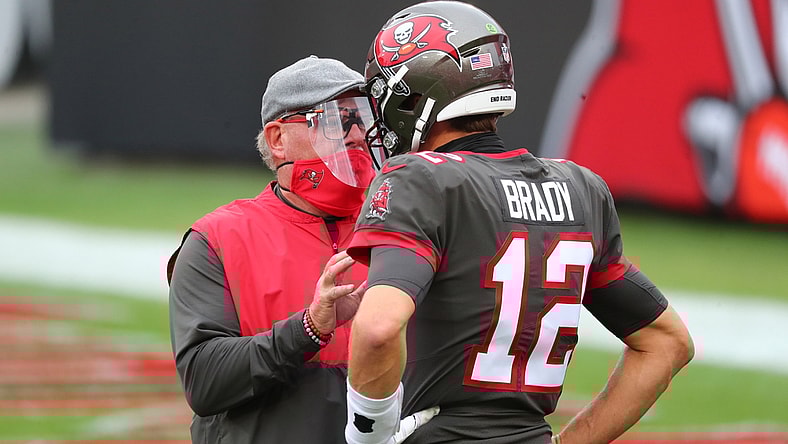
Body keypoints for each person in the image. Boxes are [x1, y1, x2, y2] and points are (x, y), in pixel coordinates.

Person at [344, 2, 695, 444]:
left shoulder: (420, 179)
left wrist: (367, 438)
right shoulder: (581, 187)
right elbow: (667, 343)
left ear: (415, 94)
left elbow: (378, 329)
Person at [167, 55, 435, 443]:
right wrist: (309, 328)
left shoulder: (406, 228)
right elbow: (205, 383)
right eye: (337, 120)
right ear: (278, 140)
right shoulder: (218, 238)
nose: (358, 135)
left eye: (362, 117)